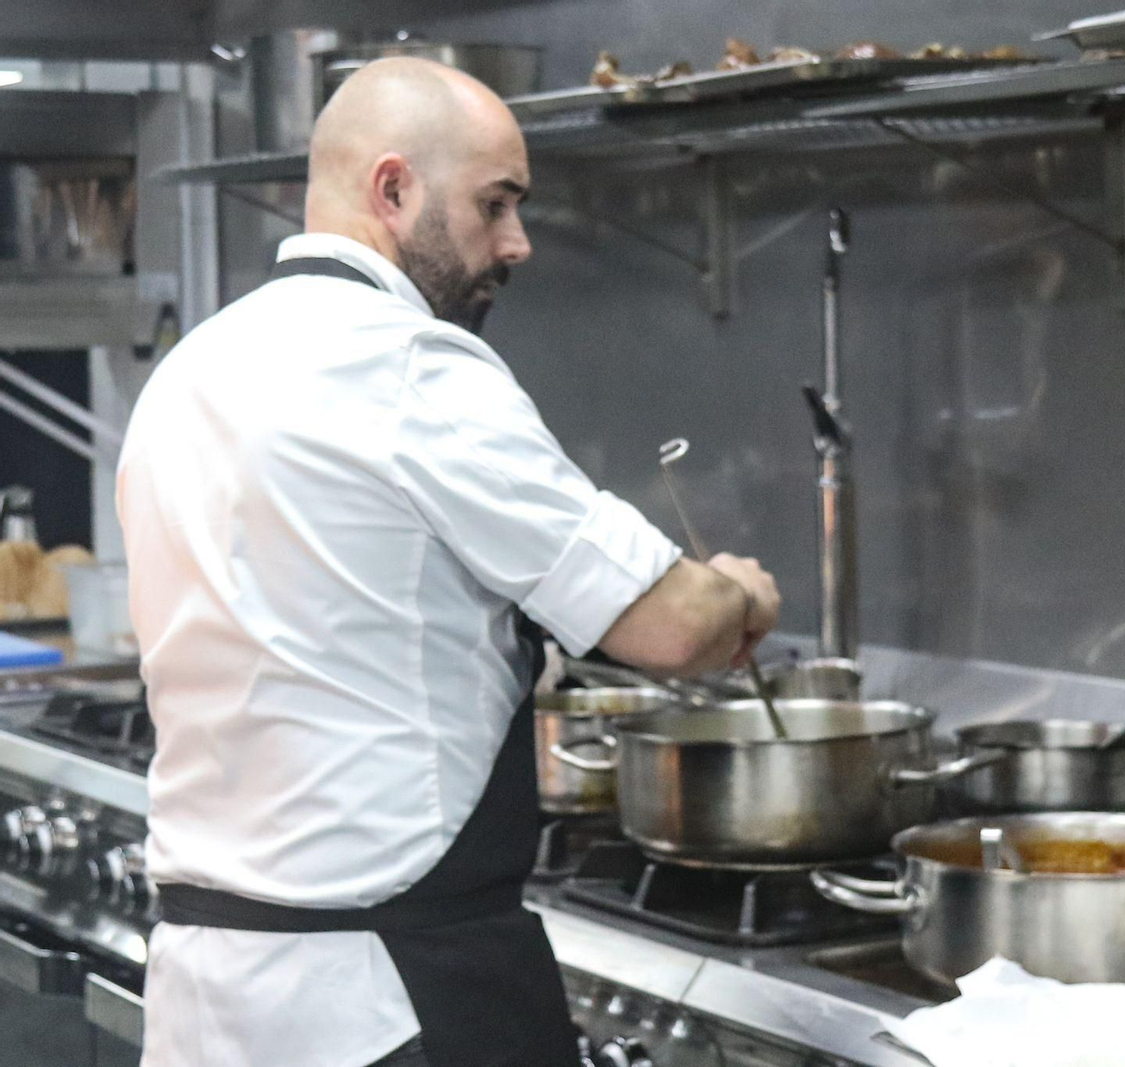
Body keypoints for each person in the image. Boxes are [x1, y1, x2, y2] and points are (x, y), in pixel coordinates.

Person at [116, 57, 780, 1067]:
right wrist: (738, 590)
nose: (515, 242)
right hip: (388, 1004)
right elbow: (673, 625)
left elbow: (356, 622)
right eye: (495, 203)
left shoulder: (188, 373)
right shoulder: (408, 364)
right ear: (394, 189)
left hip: (209, 1000)